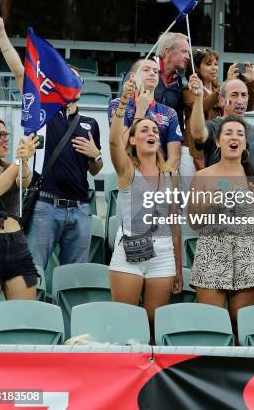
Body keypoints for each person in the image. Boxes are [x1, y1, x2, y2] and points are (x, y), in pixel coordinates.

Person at [0, 12, 103, 269]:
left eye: (76, 78)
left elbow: (96, 169)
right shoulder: (44, 113)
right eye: (66, 77)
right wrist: (2, 34)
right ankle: (35, 311)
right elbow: (20, 72)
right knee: (34, 273)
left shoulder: (90, 123)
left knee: (75, 278)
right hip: (45, 205)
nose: (71, 82)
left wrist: (95, 154)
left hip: (81, 208)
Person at [188, 116, 254, 329]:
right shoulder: (203, 176)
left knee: (241, 324)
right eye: (228, 133)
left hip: (247, 255)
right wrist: (210, 203)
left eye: (240, 134)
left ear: (245, 143)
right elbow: (193, 222)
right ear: (218, 142)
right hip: (212, 254)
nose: (234, 137)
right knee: (213, 325)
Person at [109, 74, 182, 332]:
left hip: (163, 255)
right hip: (129, 251)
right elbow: (113, 141)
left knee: (154, 325)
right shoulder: (127, 170)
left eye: (154, 130)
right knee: (126, 323)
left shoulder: (171, 175)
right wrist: (123, 106)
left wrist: (178, 268)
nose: (151, 133)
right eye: (144, 130)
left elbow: (175, 226)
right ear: (132, 139)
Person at [0, 116, 39, 342]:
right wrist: (19, 162)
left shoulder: (11, 167)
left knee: (23, 323)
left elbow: (25, 181)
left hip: (17, 247)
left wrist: (24, 161)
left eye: (6, 134)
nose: (5, 139)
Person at [182, 49, 254, 175]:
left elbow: (246, 107)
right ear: (197, 68)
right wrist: (226, 84)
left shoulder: (219, 89)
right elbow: (203, 105)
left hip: (215, 148)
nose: (214, 68)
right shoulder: (188, 90)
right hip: (192, 151)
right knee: (194, 192)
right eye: (208, 64)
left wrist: (249, 82)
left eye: (216, 64)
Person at [189, 76, 254, 178]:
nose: (240, 101)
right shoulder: (211, 127)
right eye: (234, 95)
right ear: (221, 101)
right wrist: (198, 97)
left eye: (244, 95)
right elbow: (198, 135)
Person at [108, 56, 182, 170]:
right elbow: (120, 145)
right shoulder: (119, 104)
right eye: (146, 70)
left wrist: (158, 178)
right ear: (133, 76)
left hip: (160, 179)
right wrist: (140, 111)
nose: (152, 73)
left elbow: (175, 157)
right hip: (129, 175)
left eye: (156, 71)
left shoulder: (169, 113)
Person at [155, 32, 190, 133]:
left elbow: (178, 114)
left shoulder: (178, 81)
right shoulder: (143, 69)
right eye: (184, 51)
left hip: (167, 142)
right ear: (167, 51)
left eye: (188, 52)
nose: (188, 57)